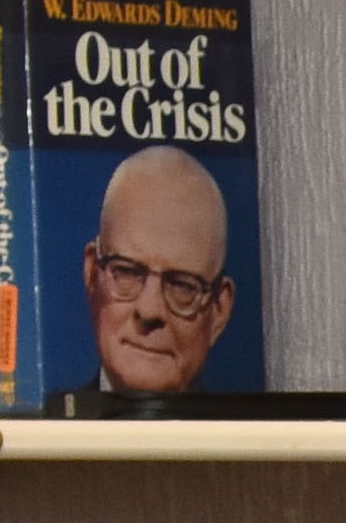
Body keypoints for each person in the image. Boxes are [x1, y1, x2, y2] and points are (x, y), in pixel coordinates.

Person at [71, 145, 235, 394]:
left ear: (219, 311)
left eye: (181, 285)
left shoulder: (251, 434)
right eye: (127, 272)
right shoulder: (42, 430)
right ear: (93, 272)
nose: (149, 311)